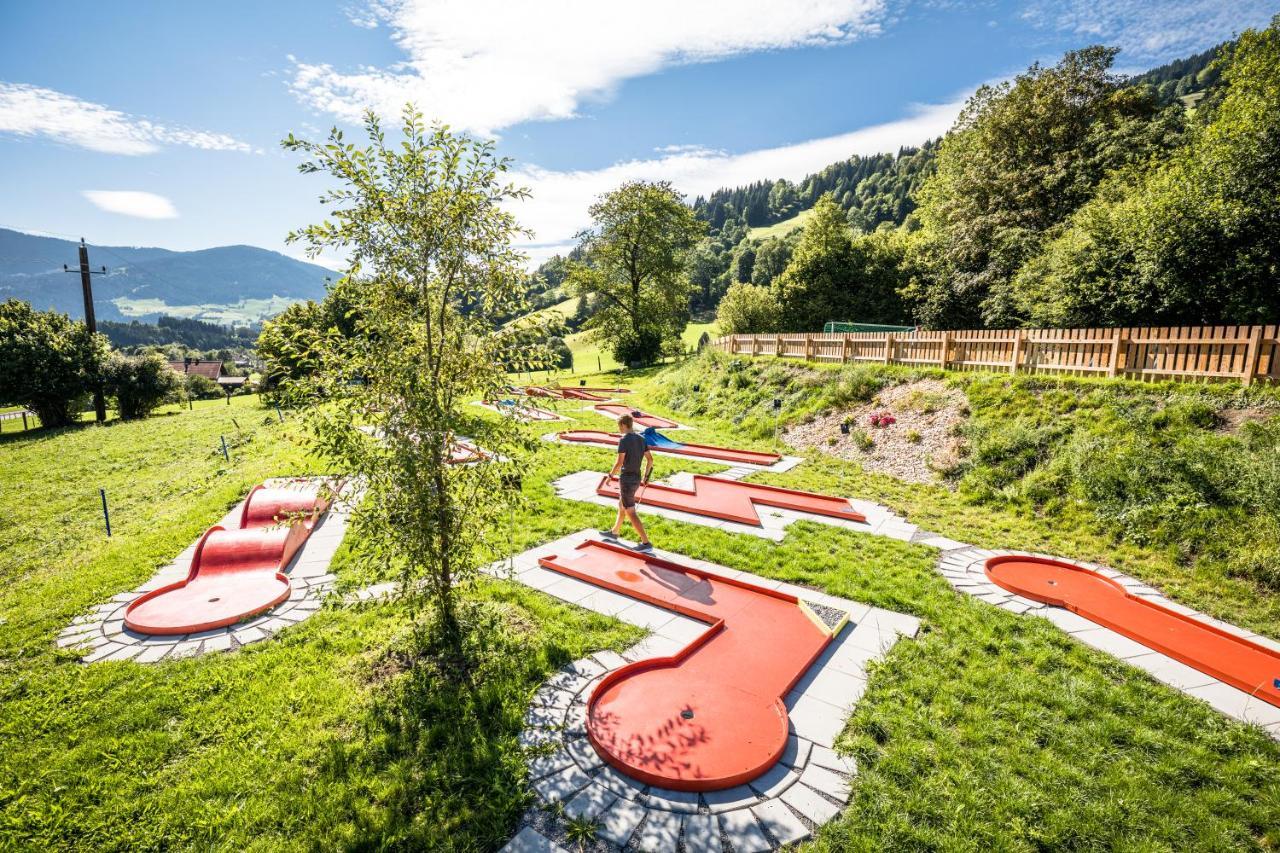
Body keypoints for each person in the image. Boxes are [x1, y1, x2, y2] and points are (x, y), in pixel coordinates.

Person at [602, 413, 654, 552]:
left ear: (624, 425)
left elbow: (619, 462)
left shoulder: (624, 439)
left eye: (619, 426)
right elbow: (650, 460)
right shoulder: (641, 439)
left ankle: (646, 543)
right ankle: (614, 533)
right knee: (621, 504)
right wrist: (646, 476)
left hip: (627, 480)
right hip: (636, 478)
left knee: (630, 511)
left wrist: (609, 476)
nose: (619, 429)